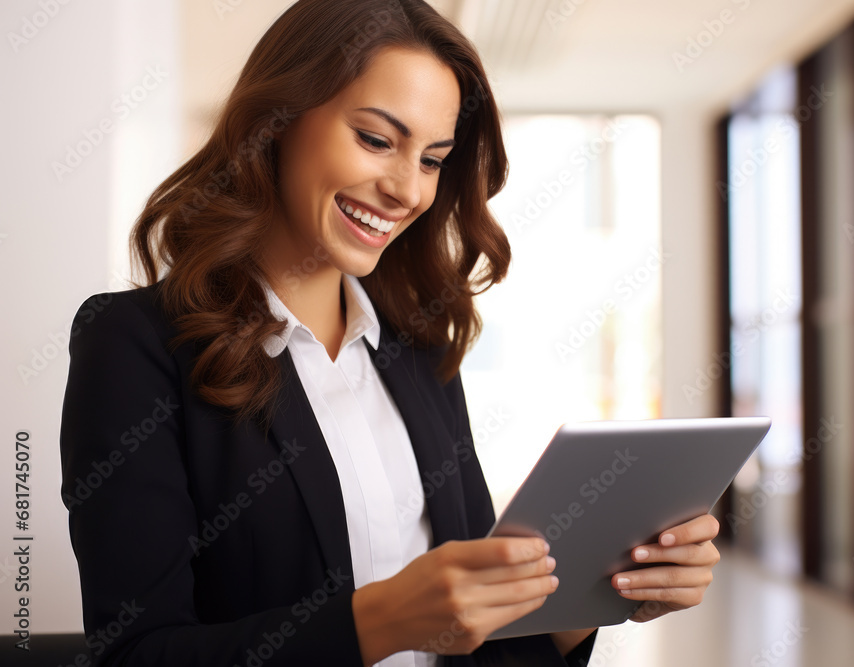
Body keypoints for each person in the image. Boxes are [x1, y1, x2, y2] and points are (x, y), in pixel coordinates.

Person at [58, 1, 722, 665]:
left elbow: (478, 643)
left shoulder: (418, 349)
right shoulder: (134, 344)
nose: (407, 189)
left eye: (433, 159)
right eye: (377, 140)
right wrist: (381, 618)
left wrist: (585, 596)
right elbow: (137, 655)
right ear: (276, 121)